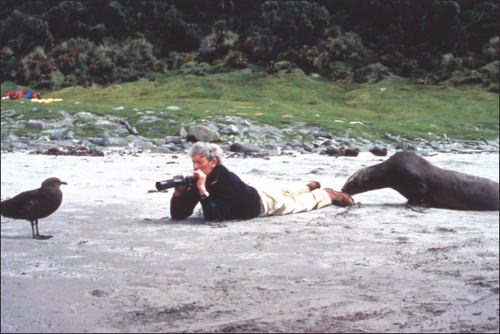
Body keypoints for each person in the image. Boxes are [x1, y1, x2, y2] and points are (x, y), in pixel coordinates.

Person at [170, 142, 353, 221]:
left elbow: (215, 216)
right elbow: (179, 215)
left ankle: (326, 194)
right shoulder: (198, 179)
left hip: (259, 205)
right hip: (251, 192)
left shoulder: (227, 179)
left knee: (295, 203)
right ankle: (305, 186)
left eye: (199, 163)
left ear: (213, 162)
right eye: (193, 162)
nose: (195, 168)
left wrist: (202, 190)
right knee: (280, 191)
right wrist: (179, 194)